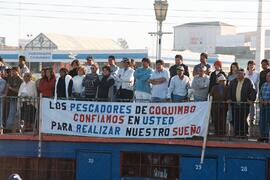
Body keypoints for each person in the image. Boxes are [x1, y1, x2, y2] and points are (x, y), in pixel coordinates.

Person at [228, 69, 256, 137]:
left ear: (244, 74)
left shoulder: (248, 81)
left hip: (244, 104)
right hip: (235, 104)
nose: (239, 75)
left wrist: (251, 100)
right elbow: (229, 91)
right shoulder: (232, 82)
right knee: (235, 119)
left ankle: (244, 133)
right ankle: (236, 133)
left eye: (241, 73)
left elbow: (253, 91)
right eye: (238, 73)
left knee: (243, 119)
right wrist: (229, 99)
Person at [6, 67, 23, 132]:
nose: (12, 72)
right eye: (11, 71)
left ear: (17, 71)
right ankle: (9, 128)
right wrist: (6, 94)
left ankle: (18, 128)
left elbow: (19, 90)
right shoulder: (10, 78)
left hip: (18, 99)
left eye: (13, 71)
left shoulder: (20, 80)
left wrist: (11, 88)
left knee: (18, 113)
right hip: (12, 98)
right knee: (11, 112)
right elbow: (7, 87)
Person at [245, 60, 259, 124]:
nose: (251, 66)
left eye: (252, 65)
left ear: (254, 66)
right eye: (250, 65)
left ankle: (252, 120)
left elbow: (257, 83)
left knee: (253, 105)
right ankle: (246, 119)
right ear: (248, 65)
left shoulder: (257, 74)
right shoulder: (245, 73)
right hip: (246, 92)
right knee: (246, 105)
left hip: (254, 92)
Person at [258, 72, 270, 142]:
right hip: (262, 106)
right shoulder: (264, 85)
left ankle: (266, 137)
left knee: (267, 121)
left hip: (269, 106)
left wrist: (268, 101)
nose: (267, 77)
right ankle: (262, 136)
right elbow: (260, 95)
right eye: (267, 76)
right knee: (262, 121)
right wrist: (261, 100)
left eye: (269, 76)